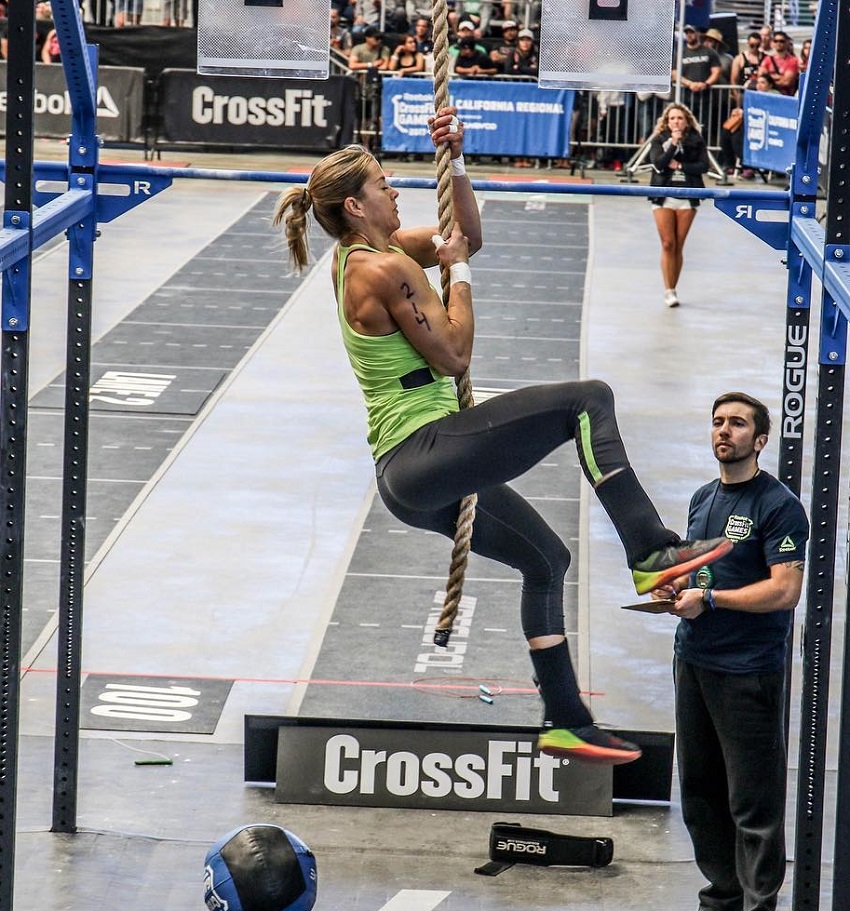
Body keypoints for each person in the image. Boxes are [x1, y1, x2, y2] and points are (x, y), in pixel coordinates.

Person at [272, 107, 732, 766]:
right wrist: (456, 274)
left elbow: (467, 234)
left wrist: (455, 161)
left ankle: (565, 720)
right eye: (383, 182)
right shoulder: (379, 268)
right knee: (588, 399)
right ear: (356, 204)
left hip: (415, 475)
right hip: (423, 452)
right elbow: (454, 354)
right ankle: (650, 549)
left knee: (546, 561)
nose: (397, 189)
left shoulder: (374, 254)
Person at [651, 392, 809, 911]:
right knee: (699, 795)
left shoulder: (779, 507)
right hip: (694, 663)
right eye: (718, 422)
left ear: (759, 440)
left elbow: (785, 591)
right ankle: (723, 897)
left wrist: (712, 600)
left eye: (738, 424)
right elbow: (699, 570)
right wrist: (672, 589)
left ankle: (759, 904)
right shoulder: (703, 498)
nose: (724, 431)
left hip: (747, 674)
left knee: (752, 804)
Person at [648, 102, 708, 308]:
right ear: (667, 121)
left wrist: (682, 165)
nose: (676, 121)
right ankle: (667, 289)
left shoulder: (696, 140)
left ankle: (673, 287)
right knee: (667, 243)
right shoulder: (659, 139)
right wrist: (673, 144)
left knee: (678, 245)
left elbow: (703, 166)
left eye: (680, 118)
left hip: (687, 194)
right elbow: (659, 164)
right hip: (664, 194)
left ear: (687, 121)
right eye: (672, 118)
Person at [673, 25, 722, 128]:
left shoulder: (709, 52)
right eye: (687, 33)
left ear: (698, 34)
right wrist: (689, 84)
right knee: (685, 125)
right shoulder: (681, 53)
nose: (689, 35)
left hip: (705, 97)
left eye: (692, 32)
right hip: (686, 97)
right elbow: (674, 73)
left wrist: (705, 84)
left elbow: (716, 71)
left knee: (703, 127)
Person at [758, 30, 799, 95]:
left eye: (781, 41)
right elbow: (760, 76)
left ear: (787, 42)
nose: (778, 43)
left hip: (784, 96)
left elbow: (786, 82)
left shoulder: (793, 61)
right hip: (768, 94)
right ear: (772, 43)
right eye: (775, 41)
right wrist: (779, 77)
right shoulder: (768, 59)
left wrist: (769, 79)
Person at [730, 31, 765, 104]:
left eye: (757, 45)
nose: (755, 48)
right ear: (748, 43)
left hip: (760, 93)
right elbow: (733, 80)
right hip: (744, 93)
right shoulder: (740, 58)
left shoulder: (765, 58)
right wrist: (737, 96)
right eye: (752, 45)